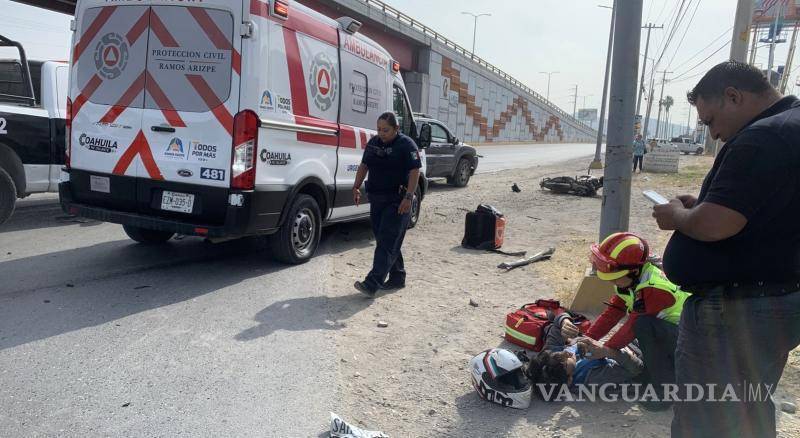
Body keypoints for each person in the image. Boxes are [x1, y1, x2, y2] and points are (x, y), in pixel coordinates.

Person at [653, 61, 800, 438]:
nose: (713, 133)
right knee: (747, 409)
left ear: (734, 96)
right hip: (768, 301)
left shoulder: (762, 138)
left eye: (710, 119)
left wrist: (678, 217)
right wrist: (700, 205)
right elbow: (761, 211)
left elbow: (716, 224)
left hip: (734, 311)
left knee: (707, 419)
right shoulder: (790, 128)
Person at [584, 232, 690, 410]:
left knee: (643, 327)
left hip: (692, 341)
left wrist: (606, 349)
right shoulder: (629, 281)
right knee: (644, 330)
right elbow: (614, 312)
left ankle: (666, 391)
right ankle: (651, 375)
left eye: (615, 277)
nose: (612, 282)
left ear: (633, 271)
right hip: (674, 334)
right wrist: (588, 337)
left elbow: (632, 326)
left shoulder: (654, 288)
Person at [352, 112, 422, 297]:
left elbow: (415, 171)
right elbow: (364, 165)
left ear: (396, 129)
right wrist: (356, 187)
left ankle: (372, 283)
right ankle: (398, 277)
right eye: (379, 129)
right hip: (377, 200)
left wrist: (409, 197)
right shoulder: (374, 143)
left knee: (387, 242)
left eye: (386, 130)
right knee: (386, 241)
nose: (382, 133)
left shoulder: (406, 145)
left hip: (397, 201)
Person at [525, 311, 643, 400]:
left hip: (623, 343)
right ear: (569, 380)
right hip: (639, 355)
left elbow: (557, 323)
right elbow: (637, 368)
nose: (565, 353)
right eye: (566, 360)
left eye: (559, 354)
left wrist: (565, 322)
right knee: (644, 322)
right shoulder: (593, 379)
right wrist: (608, 352)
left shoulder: (550, 356)